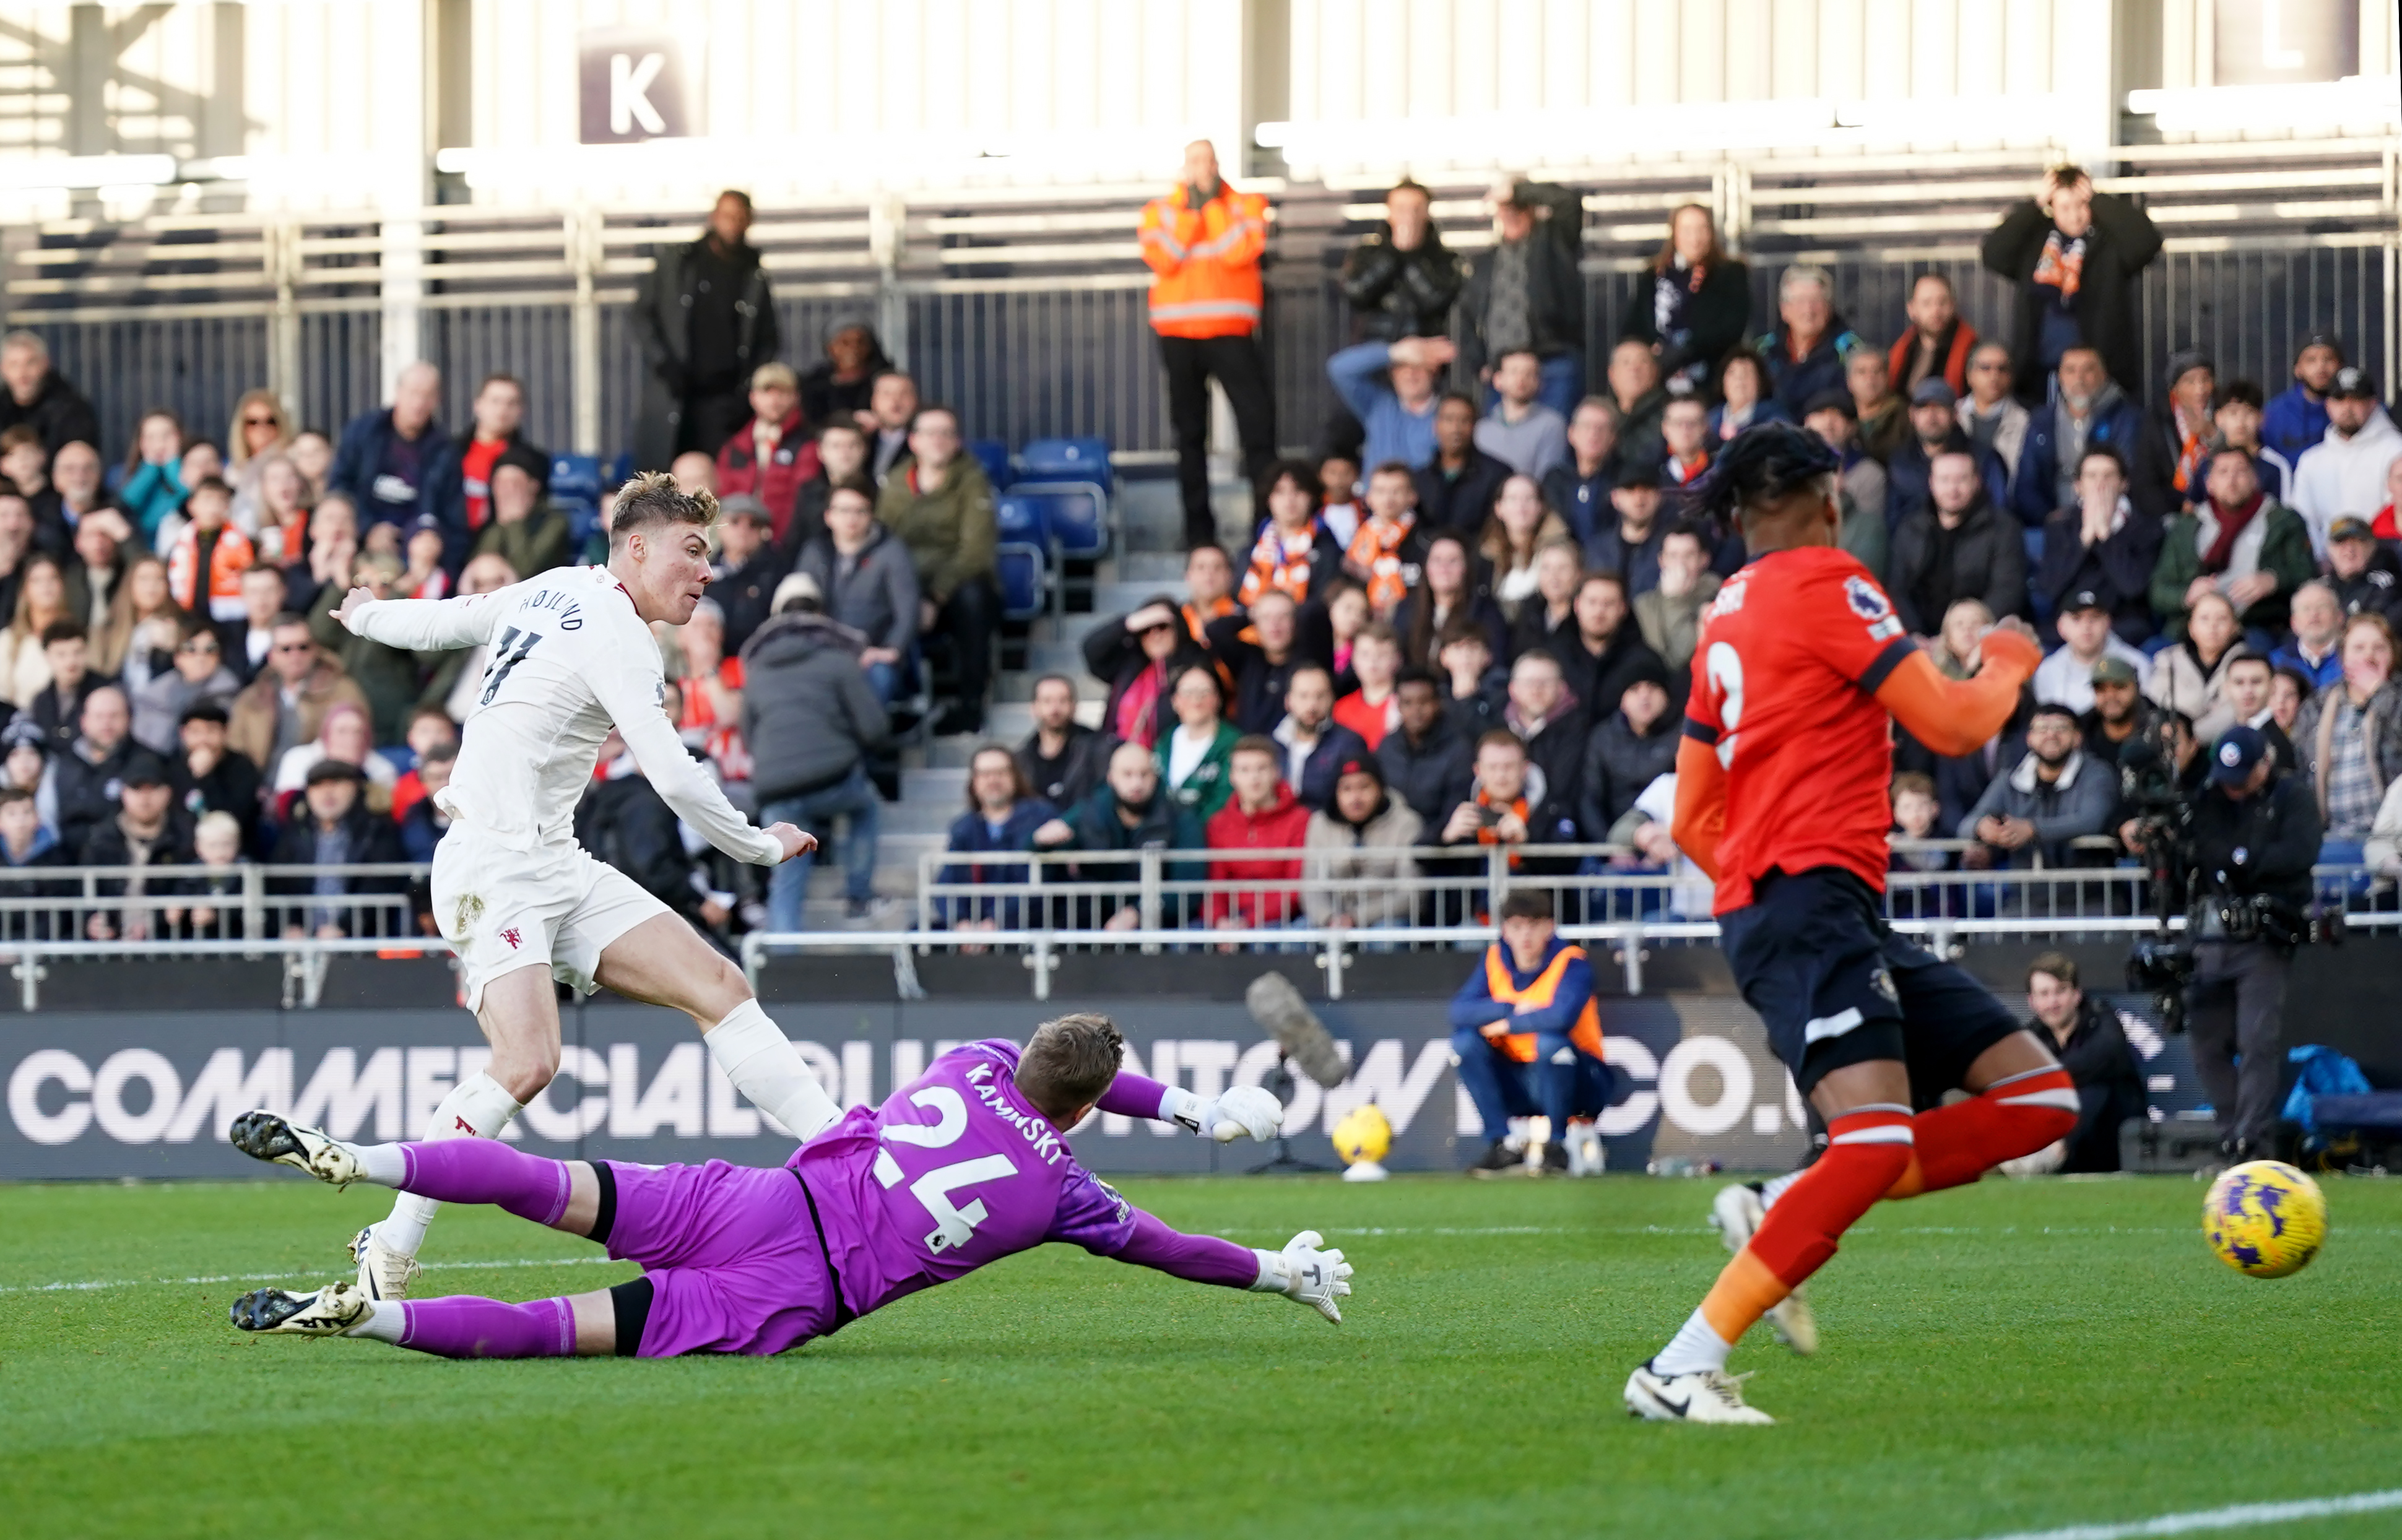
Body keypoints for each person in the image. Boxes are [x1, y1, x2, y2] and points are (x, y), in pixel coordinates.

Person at [1625, 423, 2064, 1425]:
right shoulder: (1831, 580)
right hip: (1811, 901)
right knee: (1870, 1144)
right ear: (1825, 499)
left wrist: (1754, 888)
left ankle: (1784, 1205)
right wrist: (2002, 662)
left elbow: (1693, 813)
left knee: (2039, 1097)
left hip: (1815, 906)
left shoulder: (1721, 615)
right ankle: (1679, 1365)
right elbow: (1953, 725)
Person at [323, 472, 834, 1299]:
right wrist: (759, 847)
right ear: (636, 547)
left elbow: (445, 622)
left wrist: (368, 613)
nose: (706, 571)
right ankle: (391, 1244)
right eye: (692, 551)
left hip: (555, 861)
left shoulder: (553, 588)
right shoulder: (620, 632)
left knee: (719, 986)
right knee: (528, 1062)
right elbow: (671, 774)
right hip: (493, 863)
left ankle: (848, 1154)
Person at [223, 1015, 1331, 1355]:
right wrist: (1280, 1270)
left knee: (537, 1177)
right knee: (562, 1329)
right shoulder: (1068, 1195)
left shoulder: (971, 1059)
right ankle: (376, 1319)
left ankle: (359, 1161)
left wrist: (1180, 1097)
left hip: (759, 1198)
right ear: (1083, 1112)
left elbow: (1073, 1069)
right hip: (795, 1287)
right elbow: (1174, 1246)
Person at [2181, 725, 2318, 1159]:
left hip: (2266, 932)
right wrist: (2238, 861)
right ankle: (2231, 1134)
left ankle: (2254, 1142)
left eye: (2243, 779)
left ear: (2266, 764)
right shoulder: (2213, 796)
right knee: (2205, 1043)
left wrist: (2243, 862)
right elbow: (2203, 849)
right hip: (2212, 933)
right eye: (2228, 780)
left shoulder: (2292, 797)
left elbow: (2300, 852)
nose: (2234, 789)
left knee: (2257, 1040)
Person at [1140, 141, 1274, 550]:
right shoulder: (1159, 211)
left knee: (1259, 429)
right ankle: (1199, 534)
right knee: (1189, 435)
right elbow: (1166, 258)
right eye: (1196, 161)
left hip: (1231, 331)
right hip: (1178, 335)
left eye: (1211, 160)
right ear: (1184, 166)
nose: (1204, 168)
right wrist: (1190, 213)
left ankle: (1266, 526)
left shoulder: (1246, 204)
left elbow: (1240, 251)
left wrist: (1211, 208)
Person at [740, 574, 892, 930]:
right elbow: (874, 728)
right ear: (822, 613)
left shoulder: (757, 670)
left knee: (787, 877)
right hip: (834, 778)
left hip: (775, 787)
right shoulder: (838, 659)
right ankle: (858, 896)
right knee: (866, 807)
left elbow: (749, 738)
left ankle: (782, 965)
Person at [1449, 887, 1613, 1175]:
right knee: (1464, 1044)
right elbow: (1459, 1012)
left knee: (1552, 1044)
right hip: (1522, 1079)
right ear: (1505, 931)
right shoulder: (1494, 960)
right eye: (1517, 927)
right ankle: (1503, 1144)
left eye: (1534, 926)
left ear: (1549, 928)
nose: (1526, 936)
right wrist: (1511, 1008)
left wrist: (1509, 1025)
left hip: (1581, 1081)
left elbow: (1560, 1017)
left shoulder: (1572, 962)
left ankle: (1557, 1145)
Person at [1980, 165, 2163, 404]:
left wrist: (2099, 200)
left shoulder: (2107, 243)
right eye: (2064, 207)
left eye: (2081, 205)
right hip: (2040, 372)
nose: (2074, 215)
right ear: (2051, 207)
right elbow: (1993, 254)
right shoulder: (2035, 244)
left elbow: (2147, 242)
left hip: (2101, 373)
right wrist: (2034, 205)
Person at [633, 191, 779, 469]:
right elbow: (642, 314)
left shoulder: (753, 273)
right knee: (665, 477)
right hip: (676, 393)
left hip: (725, 399)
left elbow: (767, 338)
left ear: (749, 221)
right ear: (714, 218)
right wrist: (664, 363)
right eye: (727, 216)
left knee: (718, 478)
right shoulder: (679, 262)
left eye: (739, 218)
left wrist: (747, 387)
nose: (733, 224)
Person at [877, 405, 997, 735]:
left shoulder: (973, 480)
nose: (939, 441)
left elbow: (976, 551)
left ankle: (971, 703)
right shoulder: (896, 483)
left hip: (954, 588)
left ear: (957, 442)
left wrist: (935, 595)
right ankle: (899, 705)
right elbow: (883, 539)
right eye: (930, 433)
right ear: (914, 441)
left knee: (974, 596)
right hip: (907, 582)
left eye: (946, 433)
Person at [1030, 740, 1204, 930]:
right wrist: (1040, 843)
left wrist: (1137, 913)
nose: (1137, 784)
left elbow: (1188, 887)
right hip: (1094, 925)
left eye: (1144, 774)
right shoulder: (1089, 811)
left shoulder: (1180, 817)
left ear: (1155, 777)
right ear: (1111, 778)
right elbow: (1040, 851)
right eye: (1127, 774)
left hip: (1163, 927)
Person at [2149, 444, 2313, 643]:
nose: (2232, 481)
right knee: (2156, 651)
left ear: (2255, 480)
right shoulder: (2185, 527)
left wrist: (2274, 580)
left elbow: (2308, 575)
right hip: (2192, 626)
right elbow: (2158, 590)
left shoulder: (2284, 521)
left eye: (2241, 471)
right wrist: (2186, 596)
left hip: (2256, 624)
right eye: (2223, 472)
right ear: (2209, 483)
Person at [1458, 176, 1586, 417]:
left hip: (1551, 362)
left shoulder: (1555, 243)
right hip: (1502, 372)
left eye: (1518, 207)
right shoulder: (1485, 262)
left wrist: (1517, 190)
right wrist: (1479, 363)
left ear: (1532, 209)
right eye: (1505, 208)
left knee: (1554, 441)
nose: (1511, 214)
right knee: (1499, 448)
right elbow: (1465, 315)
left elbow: (1568, 202)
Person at [2018, 954, 2147, 1175]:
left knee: (2097, 1086)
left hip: (2112, 1136)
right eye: (2044, 994)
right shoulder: (2032, 1037)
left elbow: (2106, 1056)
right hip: (2065, 1135)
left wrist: (2045, 1080)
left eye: (2060, 991)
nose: (2053, 1003)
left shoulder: (2102, 1019)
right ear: (2032, 1001)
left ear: (2077, 994)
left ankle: (2053, 1153)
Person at [793, 477, 914, 703]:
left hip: (873, 656)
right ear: (829, 516)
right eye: (844, 510)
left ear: (871, 515)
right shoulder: (815, 551)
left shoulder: (892, 552)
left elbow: (907, 612)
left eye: (860, 511)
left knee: (878, 681)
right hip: (822, 653)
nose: (852, 518)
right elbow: (799, 609)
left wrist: (892, 650)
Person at [2292, 612, 2402, 857]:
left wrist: (2379, 692)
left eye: (2379, 648)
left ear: (2393, 654)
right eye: (2359, 648)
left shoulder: (2398, 698)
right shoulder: (2318, 705)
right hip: (2333, 838)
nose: (2369, 656)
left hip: (2392, 839)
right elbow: (2301, 765)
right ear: (2343, 657)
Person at [1956, 704, 2115, 870]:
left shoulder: (2097, 774)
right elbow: (1966, 824)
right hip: (2027, 892)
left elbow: (2091, 821)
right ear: (2029, 738)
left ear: (2078, 738)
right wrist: (1981, 827)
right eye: (2042, 729)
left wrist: (2033, 830)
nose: (2051, 735)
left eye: (2061, 728)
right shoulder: (2010, 778)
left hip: (2089, 891)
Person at [262, 758, 409, 938]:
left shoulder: (377, 830)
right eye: (318, 785)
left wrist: (344, 927)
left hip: (361, 943)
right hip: (304, 941)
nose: (327, 793)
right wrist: (291, 926)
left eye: (337, 783)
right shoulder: (294, 832)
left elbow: (381, 884)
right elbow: (279, 886)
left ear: (356, 787)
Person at [1888, 449, 2027, 636]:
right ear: (1932, 483)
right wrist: (1914, 634)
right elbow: (1897, 590)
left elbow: (2007, 591)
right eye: (1944, 480)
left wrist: (1964, 636)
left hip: (1979, 638)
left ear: (1977, 482)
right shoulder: (1910, 528)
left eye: (1961, 480)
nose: (1953, 489)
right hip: (1919, 641)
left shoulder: (2004, 528)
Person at [1621, 204, 1751, 398]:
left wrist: (1683, 351)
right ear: (1674, 233)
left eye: (1702, 229)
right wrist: (1650, 353)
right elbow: (1634, 327)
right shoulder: (1653, 275)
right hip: (1658, 381)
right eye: (1687, 230)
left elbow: (1731, 328)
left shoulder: (1731, 274)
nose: (1695, 238)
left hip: (1710, 379)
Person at [2036, 446, 2160, 647]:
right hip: (2071, 628)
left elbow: (2134, 588)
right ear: (2078, 486)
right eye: (2092, 476)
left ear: (2123, 484)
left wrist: (2105, 538)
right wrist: (2084, 541)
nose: (2100, 484)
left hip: (2122, 628)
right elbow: (2049, 588)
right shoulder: (2060, 525)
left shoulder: (2147, 528)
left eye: (2108, 476)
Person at [418, 373, 540, 573]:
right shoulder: (448, 452)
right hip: (447, 549)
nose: (502, 410)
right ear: (478, 405)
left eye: (511, 403)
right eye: (495, 401)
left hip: (498, 558)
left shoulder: (530, 463)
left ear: (521, 411)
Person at [2014, 346, 2148, 522]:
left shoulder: (2126, 419)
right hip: (2052, 522)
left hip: (2112, 519)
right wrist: (2050, 519)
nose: (2079, 379)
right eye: (2071, 371)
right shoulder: (2042, 421)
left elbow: (2130, 478)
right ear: (2060, 377)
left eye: (2088, 370)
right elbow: (2026, 483)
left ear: (2103, 375)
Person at [937, 745, 1056, 935]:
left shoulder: (1041, 817)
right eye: (985, 774)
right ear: (974, 782)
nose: (993, 780)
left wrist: (996, 922)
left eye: (1001, 772)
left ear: (1015, 777)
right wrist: (960, 923)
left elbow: (1038, 880)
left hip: (1027, 929)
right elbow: (947, 882)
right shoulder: (963, 828)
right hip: (974, 930)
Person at [2289, 366, 2402, 560]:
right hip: (2326, 568)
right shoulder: (2311, 461)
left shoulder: (2396, 452)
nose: (2347, 407)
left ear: (2373, 403)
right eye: (2340, 399)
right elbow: (2303, 522)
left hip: (2385, 564)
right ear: (2328, 405)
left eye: (2356, 399)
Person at [81, 751, 195, 941]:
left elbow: (191, 888)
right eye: (137, 789)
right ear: (124, 793)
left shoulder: (185, 838)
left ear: (167, 793)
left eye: (152, 788)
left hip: (167, 945)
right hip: (109, 946)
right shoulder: (101, 839)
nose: (144, 798)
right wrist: (91, 920)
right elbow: (83, 890)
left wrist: (158, 921)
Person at [1201, 735, 1311, 932]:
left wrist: (1248, 923)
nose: (1254, 777)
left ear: (1277, 772)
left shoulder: (1300, 820)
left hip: (1280, 919)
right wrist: (1219, 921)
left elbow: (1295, 886)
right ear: (1232, 777)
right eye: (1244, 770)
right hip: (1229, 919)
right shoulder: (1218, 824)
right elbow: (1214, 884)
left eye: (1262, 768)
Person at [1339, 177, 1463, 345]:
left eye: (1416, 209)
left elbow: (1437, 300)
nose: (1408, 216)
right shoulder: (1366, 254)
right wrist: (1392, 255)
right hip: (1377, 348)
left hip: (1425, 351)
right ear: (1389, 212)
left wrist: (1411, 256)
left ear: (1427, 213)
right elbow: (1356, 292)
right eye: (1401, 209)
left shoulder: (1445, 258)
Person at [329, 361, 449, 534]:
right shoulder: (362, 432)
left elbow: (450, 514)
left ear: (438, 400)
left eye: (428, 395)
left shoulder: (444, 450)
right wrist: (368, 529)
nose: (419, 403)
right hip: (360, 536)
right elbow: (339, 487)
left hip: (415, 542)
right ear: (398, 392)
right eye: (413, 393)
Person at [714, 361, 820, 552]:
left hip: (783, 548)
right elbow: (724, 499)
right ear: (753, 398)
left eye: (782, 392)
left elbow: (802, 502)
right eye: (766, 392)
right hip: (736, 546)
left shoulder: (807, 445)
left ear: (796, 398)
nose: (774, 400)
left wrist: (780, 544)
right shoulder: (734, 448)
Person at [1579, 657, 1678, 839]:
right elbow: (1590, 800)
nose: (1644, 697)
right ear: (1622, 699)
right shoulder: (1603, 738)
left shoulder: (1684, 735)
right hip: (1615, 846)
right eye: (1634, 690)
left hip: (1671, 845)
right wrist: (1610, 850)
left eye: (1653, 687)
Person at [1207, 587, 1328, 735]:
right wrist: (1249, 615)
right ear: (1255, 622)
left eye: (1283, 617)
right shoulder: (1247, 658)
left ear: (1296, 622)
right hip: (1250, 751)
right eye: (1266, 618)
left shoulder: (1308, 658)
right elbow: (1214, 630)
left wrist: (1279, 611)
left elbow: (1316, 612)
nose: (1275, 625)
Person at [1325, 335, 1449, 477]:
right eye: (1402, 366)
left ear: (1435, 371)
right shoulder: (1379, 405)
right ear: (1392, 374)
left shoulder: (1447, 416)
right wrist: (1394, 352)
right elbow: (1339, 369)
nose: (1411, 374)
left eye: (1419, 367)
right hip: (1375, 497)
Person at [1801, 391, 1891, 578]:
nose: (1828, 423)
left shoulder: (1869, 474)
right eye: (1821, 414)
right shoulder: (1790, 469)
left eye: (1837, 416)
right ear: (1807, 423)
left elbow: (1867, 535)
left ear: (1852, 427)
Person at [1755, 266, 1858, 422]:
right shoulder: (1763, 350)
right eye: (1799, 301)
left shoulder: (1849, 349)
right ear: (1785, 310)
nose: (1808, 310)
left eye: (1816, 301)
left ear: (1829, 308)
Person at [46, 683, 136, 860]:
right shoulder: (62, 765)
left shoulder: (145, 762)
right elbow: (48, 819)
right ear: (84, 722)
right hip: (69, 865)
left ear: (129, 719)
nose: (106, 724)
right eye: (99, 716)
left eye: (114, 716)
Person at [1236, 459, 1340, 609]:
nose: (1290, 499)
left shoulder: (1328, 552)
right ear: (1268, 499)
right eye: (1280, 491)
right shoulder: (1248, 555)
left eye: (1298, 490)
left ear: (1312, 497)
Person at [132, 615, 240, 755]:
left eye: (210, 650)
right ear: (177, 657)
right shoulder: (152, 700)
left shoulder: (233, 698)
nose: (201, 657)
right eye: (191, 649)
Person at [1395, 532, 1504, 669]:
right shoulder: (1407, 608)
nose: (1444, 568)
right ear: (1426, 568)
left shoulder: (1485, 612)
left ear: (1466, 568)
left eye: (1453, 561)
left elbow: (1497, 665)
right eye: (1437, 560)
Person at [1270, 665, 1369, 815]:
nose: (1312, 705)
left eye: (1320, 696)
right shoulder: (1272, 744)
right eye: (1304, 696)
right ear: (1288, 701)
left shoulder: (1349, 743)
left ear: (1332, 699)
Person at [168, 700, 263, 855]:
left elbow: (237, 817)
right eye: (196, 732)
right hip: (183, 855)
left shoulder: (242, 767)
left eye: (212, 731)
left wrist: (206, 777)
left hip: (232, 854)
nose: (204, 740)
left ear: (225, 733)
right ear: (183, 734)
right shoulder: (172, 767)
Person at [2033, 590, 2150, 716]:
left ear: (2108, 622)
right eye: (2076, 619)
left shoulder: (2135, 663)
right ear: (2061, 627)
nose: (2086, 626)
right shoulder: (2047, 671)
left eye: (2095, 618)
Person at [2137, 351, 2221, 521]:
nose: (2200, 389)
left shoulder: (2224, 412)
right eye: (2190, 382)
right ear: (2174, 389)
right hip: (2171, 513)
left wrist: (2212, 434)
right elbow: (2146, 484)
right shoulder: (2157, 421)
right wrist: (2179, 509)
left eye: (2205, 380)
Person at [1415, 392, 1512, 536]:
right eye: (1449, 420)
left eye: (1465, 421)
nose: (1456, 429)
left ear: (1475, 426)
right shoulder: (1419, 479)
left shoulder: (1498, 475)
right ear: (1436, 425)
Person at [1634, 523, 1720, 683]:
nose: (1681, 564)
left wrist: (1675, 601)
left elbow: (1684, 655)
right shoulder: (1644, 606)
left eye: (1689, 556)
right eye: (1673, 556)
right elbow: (1664, 662)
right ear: (1661, 561)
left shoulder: (1719, 598)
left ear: (1704, 559)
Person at [1015, 673, 1111, 812]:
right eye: (1047, 701)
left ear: (1074, 706)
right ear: (1034, 708)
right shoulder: (1020, 760)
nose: (1055, 709)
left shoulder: (1100, 749)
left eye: (1063, 700)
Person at [1155, 664, 1239, 821]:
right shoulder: (1165, 741)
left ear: (1218, 699)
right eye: (1188, 693)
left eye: (1205, 692)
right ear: (1175, 701)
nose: (1196, 700)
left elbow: (1225, 800)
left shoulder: (1233, 743)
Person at [167, 476, 254, 625]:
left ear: (228, 506)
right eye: (207, 500)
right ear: (192, 505)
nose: (213, 507)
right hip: (188, 616)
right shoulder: (180, 544)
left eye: (220, 501)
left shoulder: (244, 543)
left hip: (231, 619)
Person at [0, 331, 99, 456]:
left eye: (30, 363)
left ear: (45, 363)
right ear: (3, 369)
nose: (22, 373)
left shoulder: (73, 411)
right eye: (14, 365)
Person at [1956, 342, 2031, 505]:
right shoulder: (1952, 416)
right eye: (1985, 368)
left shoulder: (2027, 422)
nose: (1994, 376)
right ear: (1970, 376)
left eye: (2002, 369)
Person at [1475, 350, 1569, 478]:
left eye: (1529, 373)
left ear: (1539, 383)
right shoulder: (1481, 429)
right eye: (1514, 372)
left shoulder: (1552, 425)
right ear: (1498, 380)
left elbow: (1549, 479)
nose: (1521, 379)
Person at [1543, 398, 1621, 544]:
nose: (1593, 434)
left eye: (1601, 428)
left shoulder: (1623, 479)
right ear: (1572, 434)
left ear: (1613, 438)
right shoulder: (1555, 479)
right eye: (1586, 427)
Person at [1889, 272, 1977, 398]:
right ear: (1911, 309)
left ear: (1953, 306)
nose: (1936, 311)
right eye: (1927, 303)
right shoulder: (1901, 350)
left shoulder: (1973, 352)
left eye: (1943, 302)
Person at [2262, 332, 2344, 467]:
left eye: (2328, 359)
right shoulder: (2275, 414)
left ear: (2341, 365)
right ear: (2298, 369)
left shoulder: (2358, 410)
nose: (2321, 367)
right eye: (2311, 360)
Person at [799, 321, 893, 431]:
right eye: (845, 343)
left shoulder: (883, 380)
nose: (854, 349)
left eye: (860, 342)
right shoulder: (814, 384)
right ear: (830, 348)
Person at [1603, 338, 1670, 472]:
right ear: (1611, 374)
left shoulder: (1670, 415)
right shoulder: (1602, 416)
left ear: (1656, 371)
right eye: (1626, 362)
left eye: (1643, 362)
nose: (1634, 369)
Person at [1709, 351, 1789, 444]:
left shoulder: (1776, 422)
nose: (1740, 380)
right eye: (1732, 373)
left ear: (1760, 382)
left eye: (1747, 373)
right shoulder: (1710, 421)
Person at [1846, 345, 1907, 464]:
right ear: (1849, 382)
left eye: (1877, 371)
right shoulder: (1843, 417)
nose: (1870, 378)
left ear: (1887, 377)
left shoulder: (1904, 418)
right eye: (1862, 372)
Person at [861, 371, 919, 485]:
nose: (895, 401)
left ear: (915, 400)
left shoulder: (925, 442)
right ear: (873, 401)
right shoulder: (862, 439)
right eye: (887, 394)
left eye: (904, 394)